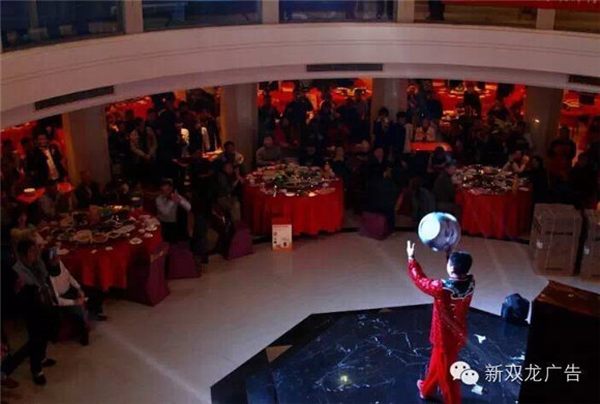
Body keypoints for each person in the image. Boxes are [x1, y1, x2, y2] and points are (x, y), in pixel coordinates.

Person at [406, 240, 475, 404]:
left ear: (451, 268)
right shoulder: (471, 283)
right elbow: (455, 271)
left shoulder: (441, 287)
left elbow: (420, 281)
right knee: (437, 363)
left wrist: (411, 259)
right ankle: (426, 390)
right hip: (458, 332)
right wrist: (448, 253)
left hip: (443, 336)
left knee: (448, 375)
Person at [12, 240, 58, 385]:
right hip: (31, 308)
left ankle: (42, 358)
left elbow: (48, 276)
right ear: (22, 255)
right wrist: (35, 290)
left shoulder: (37, 262)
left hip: (44, 302)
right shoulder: (16, 271)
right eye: (32, 251)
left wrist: (53, 265)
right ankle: (36, 369)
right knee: (36, 338)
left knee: (45, 333)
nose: (35, 253)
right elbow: (20, 295)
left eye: (35, 250)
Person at [45, 250, 89, 346]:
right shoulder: (48, 277)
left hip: (69, 291)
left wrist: (78, 288)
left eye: (57, 257)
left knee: (87, 291)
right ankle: (83, 334)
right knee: (77, 311)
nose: (58, 259)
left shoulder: (59, 263)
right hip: (60, 300)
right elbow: (57, 300)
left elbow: (68, 276)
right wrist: (74, 302)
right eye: (54, 259)